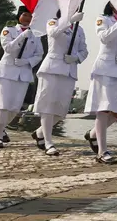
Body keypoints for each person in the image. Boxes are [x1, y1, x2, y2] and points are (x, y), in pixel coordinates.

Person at [84, 2, 117, 164]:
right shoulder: (103, 19)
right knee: (103, 109)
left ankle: (93, 134)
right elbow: (104, 37)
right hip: (105, 69)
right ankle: (102, 151)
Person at [32, 9, 88, 156]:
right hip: (52, 68)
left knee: (61, 111)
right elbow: (53, 33)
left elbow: (84, 50)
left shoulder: (79, 29)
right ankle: (48, 142)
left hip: (69, 70)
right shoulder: (53, 21)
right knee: (47, 106)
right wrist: (69, 20)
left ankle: (39, 132)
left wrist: (76, 57)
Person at [0, 6, 43, 148]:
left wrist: (27, 62)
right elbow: (8, 48)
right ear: (19, 16)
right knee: (3, 105)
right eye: (25, 15)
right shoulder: (9, 30)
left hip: (23, 73)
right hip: (7, 72)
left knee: (14, 108)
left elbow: (39, 54)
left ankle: (0, 127)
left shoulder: (35, 35)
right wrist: (21, 37)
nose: (27, 18)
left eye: (30, 16)